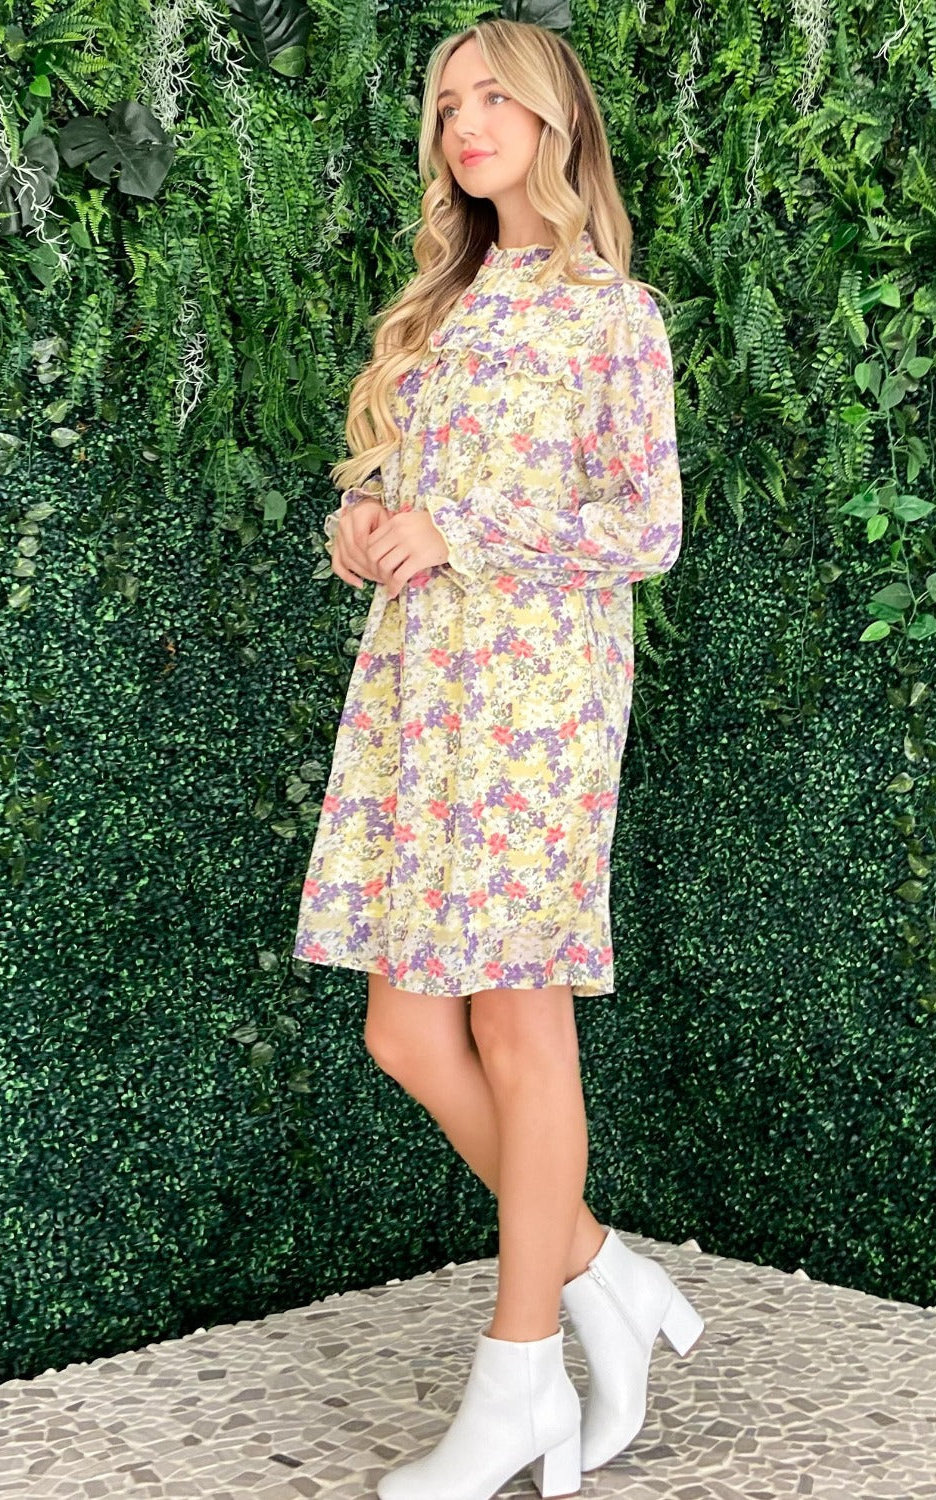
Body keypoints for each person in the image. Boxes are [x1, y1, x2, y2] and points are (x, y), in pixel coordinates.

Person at [293, 17, 704, 1500]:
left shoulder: (616, 312)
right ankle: (602, 1269)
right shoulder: (443, 306)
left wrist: (460, 533)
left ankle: (519, 1370)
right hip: (421, 694)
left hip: (539, 702)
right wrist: (372, 526)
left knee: (521, 1028)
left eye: (493, 98)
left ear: (551, 120)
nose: (467, 122)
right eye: (447, 102)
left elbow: (642, 530)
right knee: (405, 1030)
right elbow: (411, 493)